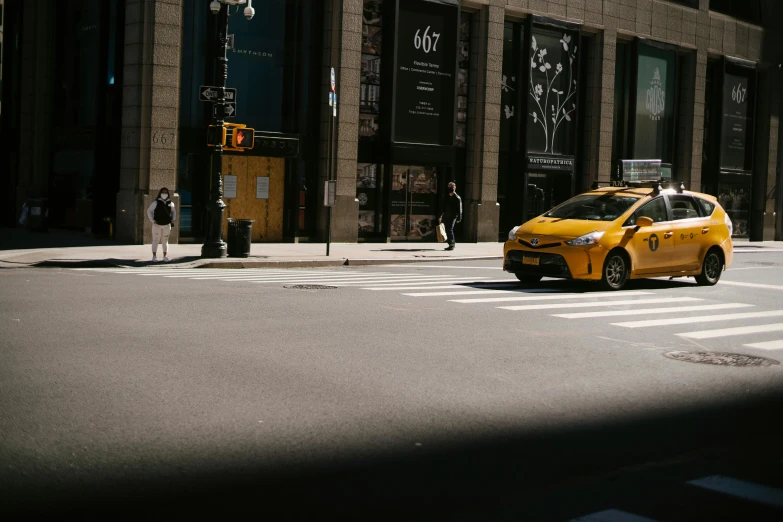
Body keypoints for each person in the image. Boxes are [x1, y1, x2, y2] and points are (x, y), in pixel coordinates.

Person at [146, 188, 176, 262]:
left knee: (165, 240)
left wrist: (173, 218)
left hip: (166, 225)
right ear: (160, 193)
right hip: (157, 225)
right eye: (163, 192)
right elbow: (149, 211)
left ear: (168, 194)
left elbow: (174, 212)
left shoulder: (171, 203)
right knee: (155, 240)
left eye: (166, 192)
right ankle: (154, 256)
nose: (164, 194)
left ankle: (165, 256)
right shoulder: (155, 203)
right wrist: (152, 220)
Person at [439, 181, 462, 251]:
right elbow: (443, 207)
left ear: (455, 188)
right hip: (446, 215)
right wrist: (440, 216)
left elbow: (460, 209)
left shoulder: (457, 198)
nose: (450, 188)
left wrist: (459, 218)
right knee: (447, 229)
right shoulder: (446, 196)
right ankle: (450, 243)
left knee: (450, 229)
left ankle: (452, 244)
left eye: (451, 187)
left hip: (453, 216)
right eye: (449, 187)